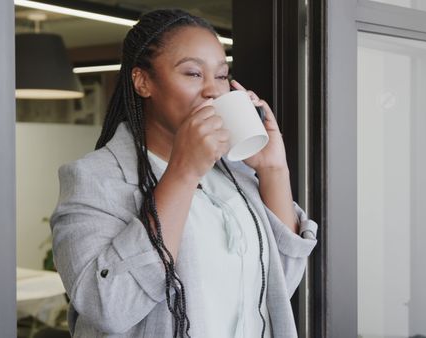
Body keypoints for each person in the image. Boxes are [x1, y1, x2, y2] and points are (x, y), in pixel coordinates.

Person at [50, 8, 318, 338]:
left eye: (221, 76)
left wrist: (273, 169)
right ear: (143, 81)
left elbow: (277, 286)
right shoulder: (93, 180)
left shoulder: (233, 175)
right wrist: (183, 173)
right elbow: (109, 309)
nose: (213, 90)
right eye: (193, 73)